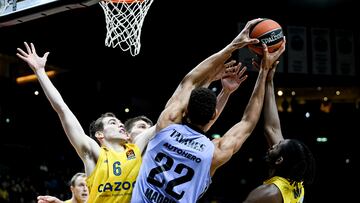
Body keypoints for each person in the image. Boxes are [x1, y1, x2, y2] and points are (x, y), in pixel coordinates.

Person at [16, 37, 247, 202]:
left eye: (118, 120)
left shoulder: (137, 150)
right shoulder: (93, 154)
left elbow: (192, 120)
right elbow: (63, 110)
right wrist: (40, 73)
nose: (117, 122)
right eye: (111, 122)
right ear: (99, 135)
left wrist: (213, 88)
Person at [131, 18, 286, 203]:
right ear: (214, 115)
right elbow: (248, 122)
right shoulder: (212, 153)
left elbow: (189, 81)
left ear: (186, 109)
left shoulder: (167, 124)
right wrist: (264, 71)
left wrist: (233, 45)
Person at [242, 58, 316, 203]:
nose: (274, 144)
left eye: (277, 146)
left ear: (280, 160)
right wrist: (269, 81)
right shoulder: (297, 185)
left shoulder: (268, 194)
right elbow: (272, 128)